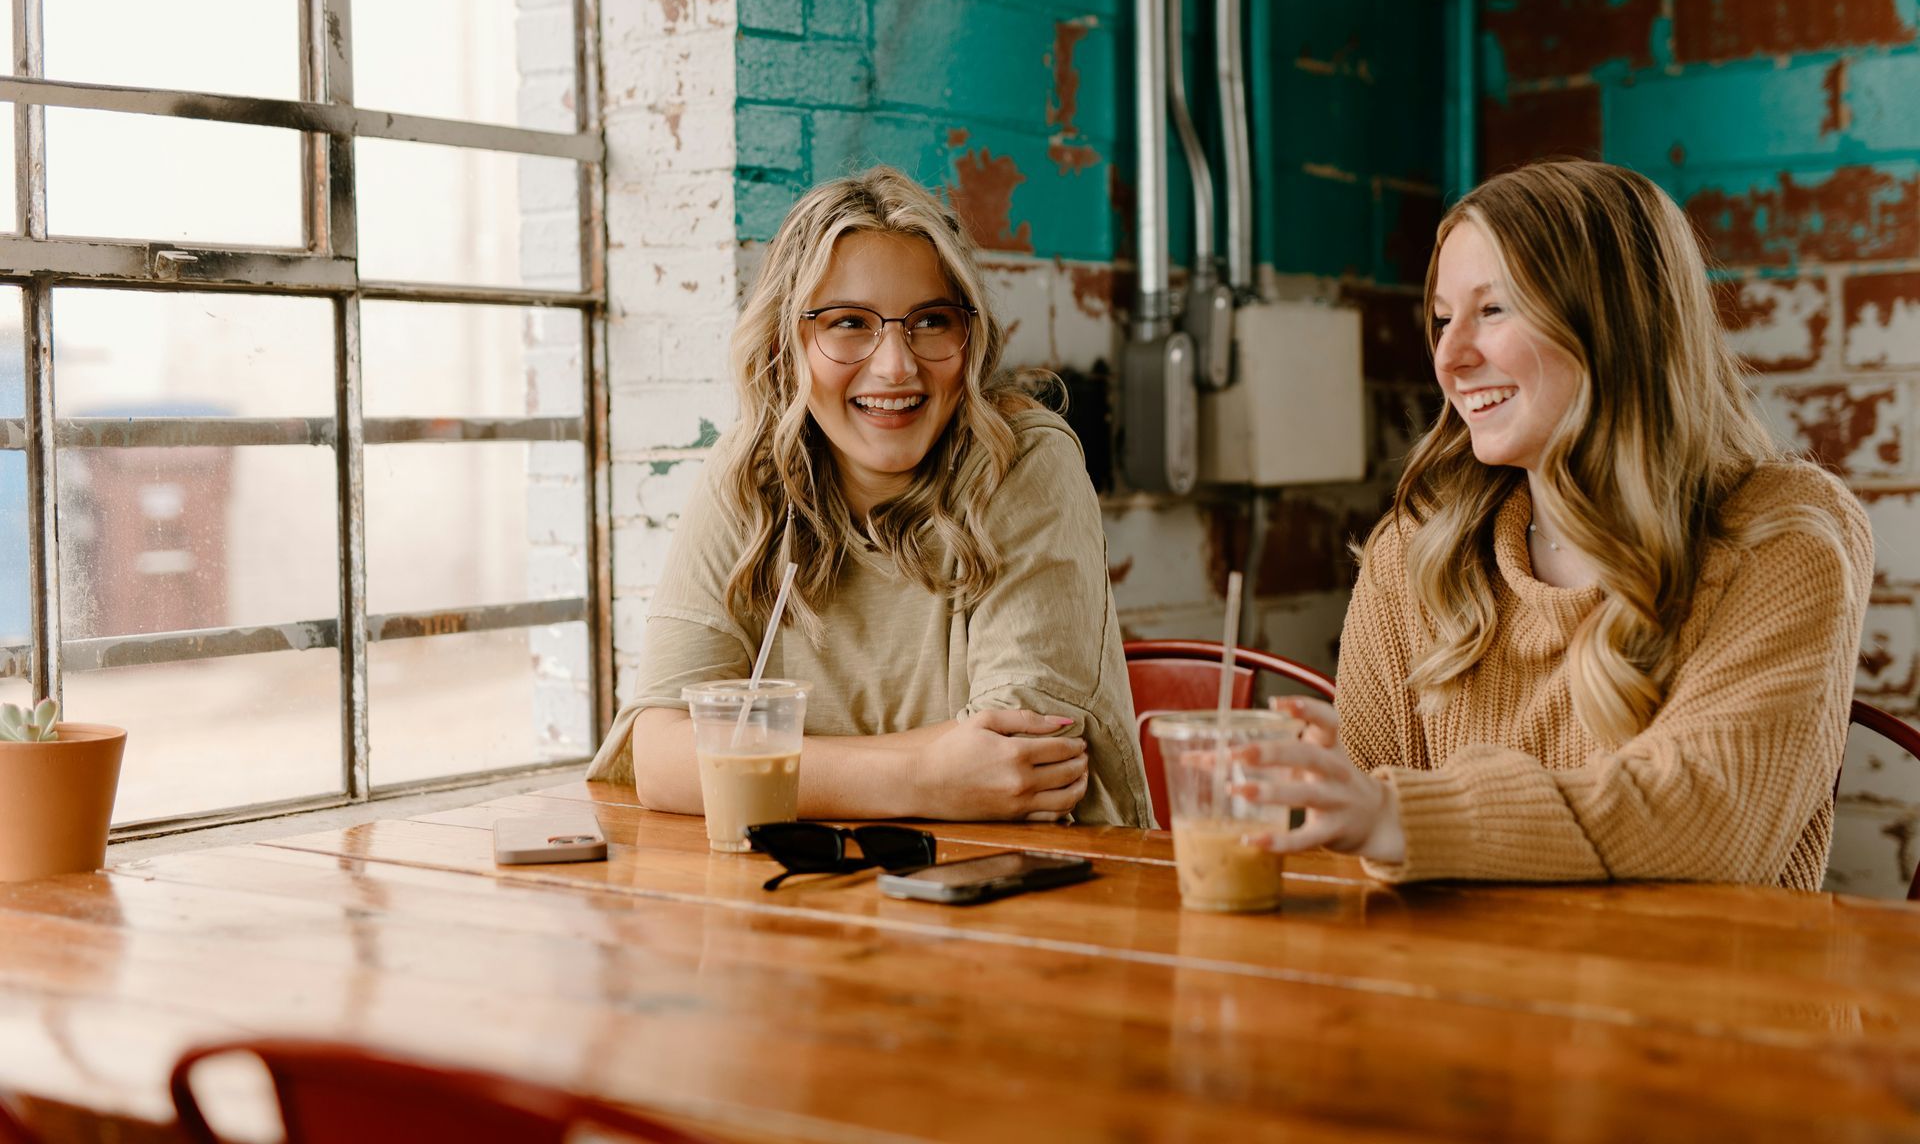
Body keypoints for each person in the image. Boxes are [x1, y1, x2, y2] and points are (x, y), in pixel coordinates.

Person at [1242, 159, 1872, 890]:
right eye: (1443, 320)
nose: (1450, 357)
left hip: (1701, 995)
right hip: (1465, 994)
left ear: (1615, 323)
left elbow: (1706, 819)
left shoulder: (1787, 537)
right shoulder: (1417, 549)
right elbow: (1353, 852)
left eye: (1494, 310)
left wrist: (1400, 814)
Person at [585, 166, 1152, 827]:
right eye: (849, 322)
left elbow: (1017, 767)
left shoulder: (1023, 460)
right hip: (812, 898)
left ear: (968, 338)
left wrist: (756, 762)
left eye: (931, 321)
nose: (896, 365)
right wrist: (923, 777)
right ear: (784, 343)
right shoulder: (748, 476)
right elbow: (659, 758)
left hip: (1041, 892)